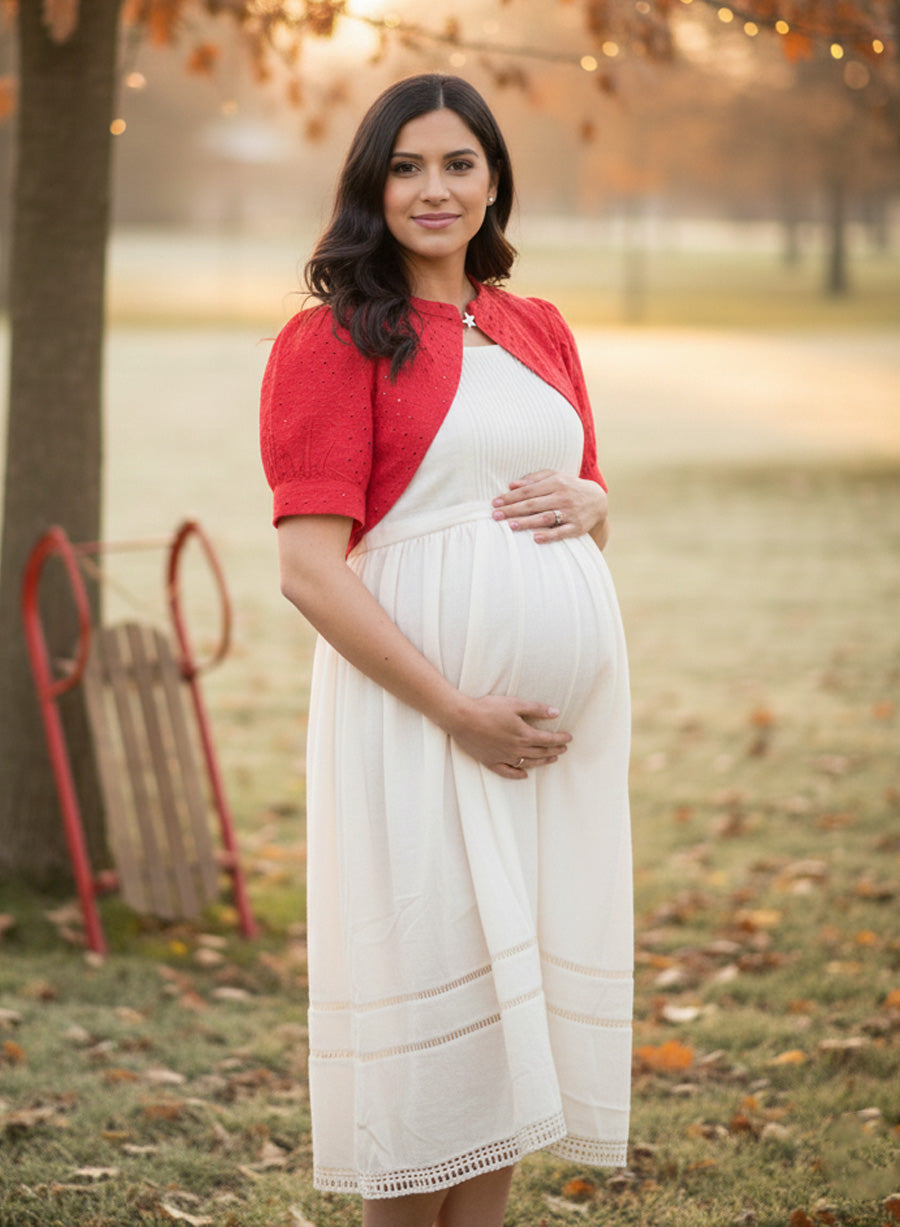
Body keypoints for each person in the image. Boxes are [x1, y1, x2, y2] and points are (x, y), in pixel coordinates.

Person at [259, 73, 633, 1227]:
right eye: (408, 165)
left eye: (459, 163)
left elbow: (586, 497)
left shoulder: (537, 325)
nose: (434, 188)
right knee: (431, 1039)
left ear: (493, 181)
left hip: (544, 749)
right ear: (373, 181)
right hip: (421, 719)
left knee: (505, 1028)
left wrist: (587, 499)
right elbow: (309, 568)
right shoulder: (335, 339)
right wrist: (457, 707)